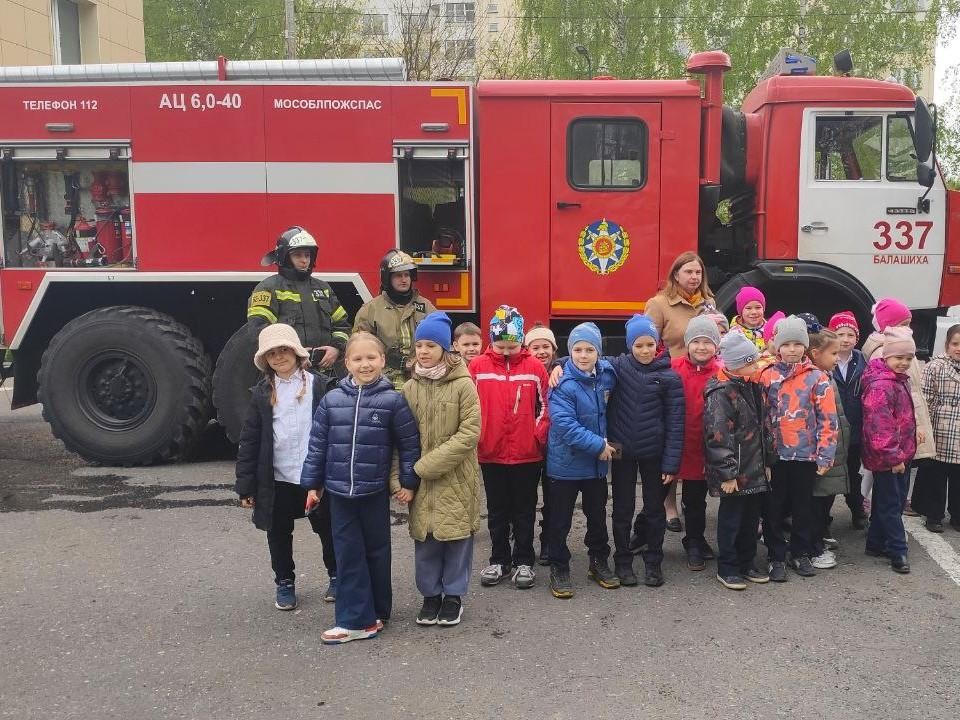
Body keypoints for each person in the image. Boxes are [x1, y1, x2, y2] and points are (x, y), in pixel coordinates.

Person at [300, 332, 421, 644]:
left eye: (371, 358)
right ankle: (358, 619)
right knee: (349, 553)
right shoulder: (331, 400)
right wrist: (312, 484)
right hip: (339, 493)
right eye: (358, 358)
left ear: (382, 360)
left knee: (378, 552)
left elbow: (409, 446)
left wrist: (408, 483)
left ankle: (375, 614)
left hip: (374, 491)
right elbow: (317, 446)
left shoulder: (394, 401)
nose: (365, 364)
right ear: (347, 363)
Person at [235, 323, 338, 611]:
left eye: (284, 350)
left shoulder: (321, 385)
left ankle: (337, 575)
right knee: (278, 532)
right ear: (265, 360)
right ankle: (285, 582)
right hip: (278, 476)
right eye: (272, 354)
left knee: (328, 528)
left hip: (314, 475)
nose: (279, 357)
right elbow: (250, 440)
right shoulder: (260, 394)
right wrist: (245, 485)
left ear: (296, 352)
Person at [399, 312, 481, 627]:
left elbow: (469, 433)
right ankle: (430, 595)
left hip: (456, 477)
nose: (423, 350)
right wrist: (401, 477)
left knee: (457, 537)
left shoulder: (463, 385)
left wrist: (424, 467)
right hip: (420, 481)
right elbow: (401, 437)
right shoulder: (409, 388)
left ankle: (454, 596)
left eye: (430, 345)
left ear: (446, 349)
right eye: (419, 344)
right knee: (426, 538)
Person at [470, 305, 550, 589]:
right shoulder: (478, 367)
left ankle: (524, 561)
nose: (506, 352)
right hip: (490, 451)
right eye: (501, 346)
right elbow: (470, 407)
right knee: (497, 509)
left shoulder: (534, 367)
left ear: (521, 342)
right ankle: (499, 559)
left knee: (525, 509)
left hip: (526, 454)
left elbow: (546, 407)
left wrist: (536, 435)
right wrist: (478, 435)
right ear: (491, 341)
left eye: (512, 346)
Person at [607, 314, 685, 588]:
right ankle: (623, 562)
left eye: (649, 344)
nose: (644, 351)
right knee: (622, 510)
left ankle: (654, 562)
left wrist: (671, 464)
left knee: (654, 510)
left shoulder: (669, 378)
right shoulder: (616, 367)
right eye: (638, 345)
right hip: (621, 452)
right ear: (630, 346)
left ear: (658, 344)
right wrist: (559, 365)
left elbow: (676, 423)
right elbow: (583, 361)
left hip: (655, 453)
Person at [760, 315, 838, 581]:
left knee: (804, 507)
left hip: (806, 456)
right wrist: (762, 457)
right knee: (774, 507)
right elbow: (761, 419)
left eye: (797, 344)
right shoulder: (766, 376)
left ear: (805, 346)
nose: (792, 349)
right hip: (776, 456)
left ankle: (800, 552)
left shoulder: (817, 378)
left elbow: (828, 418)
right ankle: (775, 555)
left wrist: (826, 454)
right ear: (777, 346)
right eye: (786, 344)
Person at [546, 322, 619, 598]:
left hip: (595, 468)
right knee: (560, 520)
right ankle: (559, 565)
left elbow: (620, 363)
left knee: (597, 517)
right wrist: (598, 444)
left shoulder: (607, 375)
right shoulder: (562, 382)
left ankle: (599, 561)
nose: (583, 355)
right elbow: (564, 424)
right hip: (565, 465)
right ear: (570, 352)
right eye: (577, 350)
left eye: (590, 349)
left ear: (599, 352)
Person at [704, 332, 774, 590]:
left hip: (754, 468)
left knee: (749, 520)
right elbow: (718, 436)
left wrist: (768, 461)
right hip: (735, 473)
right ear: (736, 365)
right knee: (732, 520)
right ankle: (728, 566)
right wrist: (728, 473)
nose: (757, 367)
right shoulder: (721, 393)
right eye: (751, 362)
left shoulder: (752, 387)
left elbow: (764, 426)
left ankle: (747, 561)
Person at [247, 226, 351, 371]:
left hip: (325, 374)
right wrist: (294, 355)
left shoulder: (323, 289)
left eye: (307, 255)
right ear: (284, 257)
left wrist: (336, 349)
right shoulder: (268, 289)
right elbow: (259, 331)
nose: (304, 260)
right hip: (287, 373)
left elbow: (342, 325)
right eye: (298, 255)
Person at [667, 315, 723, 570]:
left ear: (716, 346)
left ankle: (695, 541)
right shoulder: (672, 368)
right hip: (674, 445)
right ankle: (643, 536)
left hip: (703, 448)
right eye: (696, 341)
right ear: (687, 343)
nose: (701, 347)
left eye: (707, 342)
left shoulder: (722, 372)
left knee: (695, 500)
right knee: (655, 497)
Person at [861, 327, 918, 574]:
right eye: (898, 358)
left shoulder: (897, 381)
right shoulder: (881, 385)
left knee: (887, 501)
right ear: (885, 357)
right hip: (888, 457)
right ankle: (898, 551)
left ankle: (875, 543)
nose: (904, 363)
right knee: (891, 504)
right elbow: (880, 427)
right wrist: (894, 457)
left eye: (908, 358)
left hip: (900, 454)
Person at [861, 298, 935, 463]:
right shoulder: (886, 352)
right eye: (903, 324)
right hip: (897, 437)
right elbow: (887, 407)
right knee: (890, 481)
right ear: (887, 326)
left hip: (906, 428)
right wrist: (895, 453)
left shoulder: (901, 347)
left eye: (909, 324)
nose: (908, 329)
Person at [353, 249, 437, 389]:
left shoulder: (426, 306)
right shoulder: (371, 310)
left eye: (407, 275)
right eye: (398, 275)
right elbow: (359, 346)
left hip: (421, 379)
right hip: (383, 381)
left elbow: (440, 342)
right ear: (387, 278)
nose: (404, 279)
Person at [807, 329, 848, 570]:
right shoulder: (816, 380)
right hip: (822, 452)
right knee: (816, 502)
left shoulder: (826, 375)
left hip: (832, 450)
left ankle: (818, 538)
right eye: (833, 353)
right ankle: (813, 548)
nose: (837, 357)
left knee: (825, 499)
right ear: (815, 354)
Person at [915, 324, 960, 532]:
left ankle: (957, 515)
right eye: (955, 344)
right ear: (947, 344)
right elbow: (925, 398)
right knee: (936, 476)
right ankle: (933, 515)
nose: (958, 348)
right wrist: (926, 426)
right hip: (940, 429)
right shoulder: (936, 366)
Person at [829, 311, 869, 529]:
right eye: (840, 333)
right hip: (832, 430)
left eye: (850, 335)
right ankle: (823, 517)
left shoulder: (862, 360)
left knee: (854, 472)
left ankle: (857, 508)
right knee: (828, 476)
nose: (845, 339)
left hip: (855, 427)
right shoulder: (826, 359)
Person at [524, 322, 559, 565]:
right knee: (525, 498)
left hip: (554, 447)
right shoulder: (523, 372)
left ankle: (549, 540)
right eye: (535, 347)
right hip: (527, 444)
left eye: (546, 346)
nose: (541, 352)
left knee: (553, 496)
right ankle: (521, 539)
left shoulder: (562, 369)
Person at [644, 251, 716, 359]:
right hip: (673, 372)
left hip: (706, 373)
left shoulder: (709, 302)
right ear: (676, 275)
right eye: (689, 272)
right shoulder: (658, 304)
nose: (694, 276)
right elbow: (647, 344)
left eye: (698, 272)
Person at [729, 286, 767, 352]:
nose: (754, 312)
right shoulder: (734, 333)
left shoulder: (769, 329)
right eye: (748, 308)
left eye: (758, 307)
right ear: (741, 311)